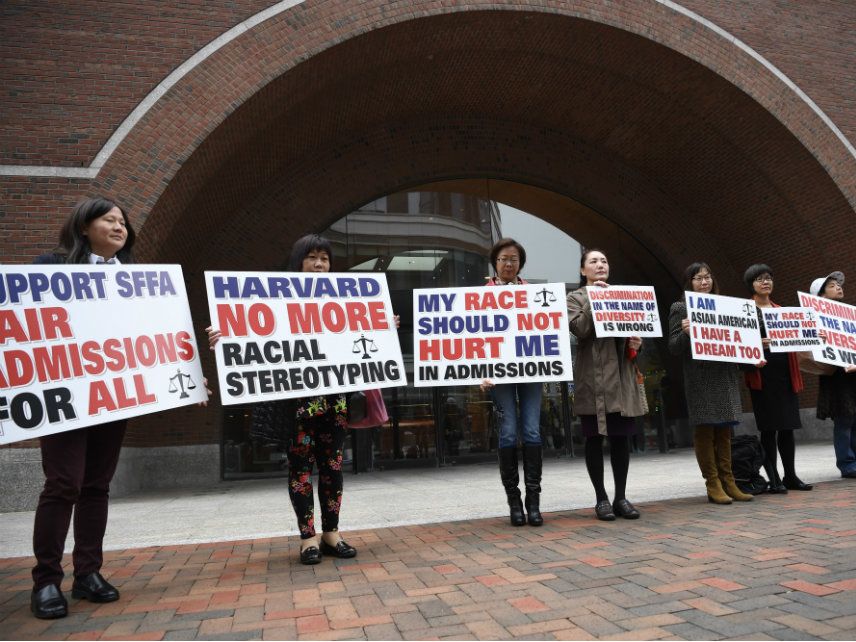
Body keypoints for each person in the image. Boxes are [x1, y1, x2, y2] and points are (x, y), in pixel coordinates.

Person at [29, 197, 211, 619]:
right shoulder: (50, 268)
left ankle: (88, 573)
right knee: (63, 484)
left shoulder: (137, 280)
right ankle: (46, 581)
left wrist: (187, 377)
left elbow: (160, 340)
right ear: (83, 227)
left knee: (97, 484)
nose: (119, 226)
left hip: (113, 399)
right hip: (65, 398)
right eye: (108, 219)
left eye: (123, 221)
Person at [208, 234, 386, 564]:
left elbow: (364, 336)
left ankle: (331, 533)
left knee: (333, 467)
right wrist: (223, 336)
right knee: (300, 468)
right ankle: (308, 538)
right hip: (297, 404)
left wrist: (385, 326)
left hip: (334, 402)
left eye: (325, 259)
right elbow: (250, 331)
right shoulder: (276, 300)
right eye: (312, 258)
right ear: (298, 262)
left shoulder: (344, 302)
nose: (319, 265)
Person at [567, 249, 645, 521]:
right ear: (582, 271)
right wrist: (594, 299)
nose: (600, 265)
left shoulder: (623, 296)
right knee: (593, 438)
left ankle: (621, 497)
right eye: (593, 262)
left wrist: (636, 342)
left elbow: (633, 331)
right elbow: (580, 330)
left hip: (620, 378)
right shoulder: (574, 298)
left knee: (621, 438)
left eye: (604, 261)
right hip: (592, 377)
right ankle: (601, 499)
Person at [669, 263, 754, 504]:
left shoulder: (726, 306)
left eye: (707, 277)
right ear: (689, 283)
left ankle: (730, 481)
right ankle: (712, 483)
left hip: (724, 374)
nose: (704, 282)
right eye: (698, 278)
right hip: (701, 377)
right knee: (705, 430)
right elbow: (673, 347)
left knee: (725, 431)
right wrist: (685, 333)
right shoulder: (680, 307)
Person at [479, 238, 544, 527]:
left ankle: (533, 500)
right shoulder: (481, 295)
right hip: (499, 374)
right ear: (495, 262)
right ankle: (513, 501)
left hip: (531, 372)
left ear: (520, 263)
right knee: (507, 433)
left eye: (514, 259)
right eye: (504, 258)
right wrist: (479, 373)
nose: (509, 264)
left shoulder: (534, 293)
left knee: (531, 430)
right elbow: (472, 339)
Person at [743, 264, 811, 492]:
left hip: (785, 374)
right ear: (751, 284)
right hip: (763, 375)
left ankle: (790, 475)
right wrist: (756, 343)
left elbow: (798, 337)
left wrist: (813, 334)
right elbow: (738, 342)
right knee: (769, 428)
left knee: (787, 427)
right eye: (760, 279)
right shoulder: (746, 311)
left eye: (769, 278)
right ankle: (774, 479)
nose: (766, 282)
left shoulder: (781, 310)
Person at [810, 271, 856, 478]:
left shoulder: (850, 314)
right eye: (832, 285)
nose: (838, 287)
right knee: (844, 420)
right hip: (837, 378)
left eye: (838, 284)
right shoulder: (815, 319)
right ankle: (847, 464)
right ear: (820, 295)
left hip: (854, 374)